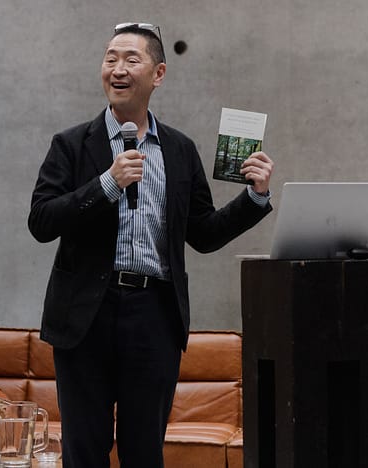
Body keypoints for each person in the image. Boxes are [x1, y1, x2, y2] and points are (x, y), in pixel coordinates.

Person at [28, 22, 274, 468]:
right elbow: (42, 221)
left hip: (154, 315)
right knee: (84, 450)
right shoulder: (70, 145)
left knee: (144, 452)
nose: (117, 69)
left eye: (131, 60)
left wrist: (253, 198)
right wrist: (107, 183)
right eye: (110, 59)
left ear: (158, 74)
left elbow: (204, 233)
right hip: (85, 315)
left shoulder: (179, 150)